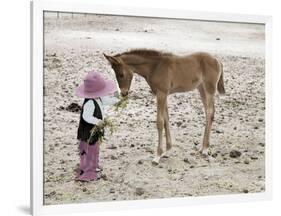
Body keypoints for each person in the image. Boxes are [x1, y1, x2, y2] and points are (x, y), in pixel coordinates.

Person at [75, 71, 117, 181]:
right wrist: (98, 121)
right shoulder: (89, 102)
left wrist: (118, 101)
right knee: (89, 149)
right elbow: (86, 117)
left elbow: (107, 100)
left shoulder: (98, 98)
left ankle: (94, 166)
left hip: (95, 131)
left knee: (95, 149)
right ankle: (88, 172)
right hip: (88, 131)